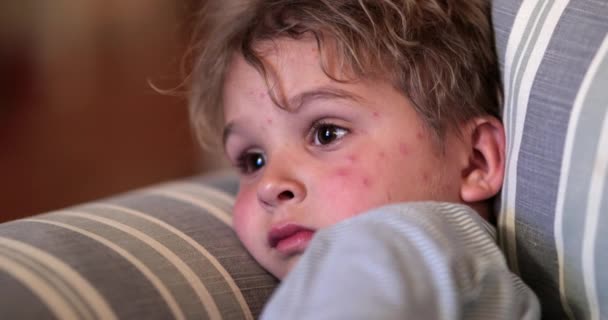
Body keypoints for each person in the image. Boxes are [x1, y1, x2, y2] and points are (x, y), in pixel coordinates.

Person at [189, 0, 540, 318]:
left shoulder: (395, 241)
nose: (269, 185)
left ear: (475, 161)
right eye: (253, 161)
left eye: (327, 133)